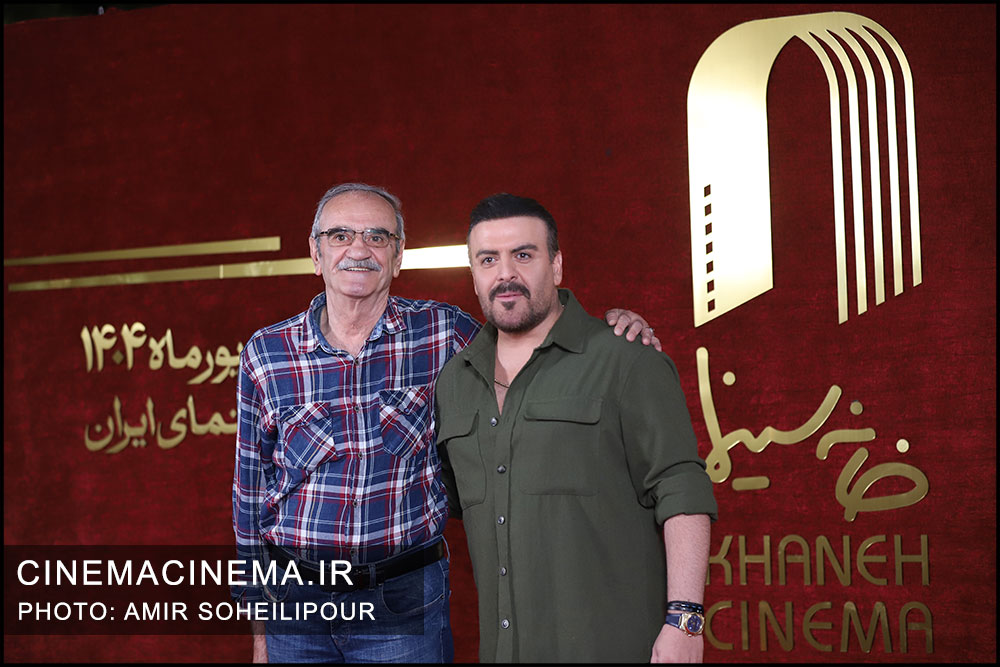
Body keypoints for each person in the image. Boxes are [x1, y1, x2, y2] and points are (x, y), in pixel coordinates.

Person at [232, 183, 661, 663]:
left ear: (398, 256)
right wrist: (259, 626)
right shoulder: (266, 354)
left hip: (403, 601)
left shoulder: (444, 333)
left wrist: (609, 333)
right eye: (340, 236)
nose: (359, 249)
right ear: (316, 253)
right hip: (294, 607)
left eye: (377, 237)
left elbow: (538, 348)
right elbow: (250, 496)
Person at [436, 193, 718, 663]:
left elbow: (681, 488)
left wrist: (685, 621)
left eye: (523, 255)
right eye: (488, 259)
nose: (505, 273)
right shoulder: (454, 382)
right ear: (474, 274)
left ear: (557, 265)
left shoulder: (626, 360)